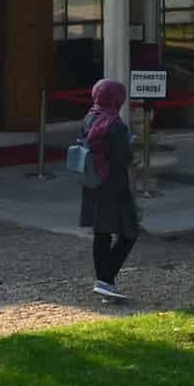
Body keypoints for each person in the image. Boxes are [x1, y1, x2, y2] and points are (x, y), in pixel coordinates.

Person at [77, 76, 140, 302]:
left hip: (93, 183)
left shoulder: (89, 117)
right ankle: (105, 279)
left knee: (101, 233)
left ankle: (106, 283)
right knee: (129, 231)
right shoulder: (115, 124)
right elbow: (123, 157)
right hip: (114, 185)